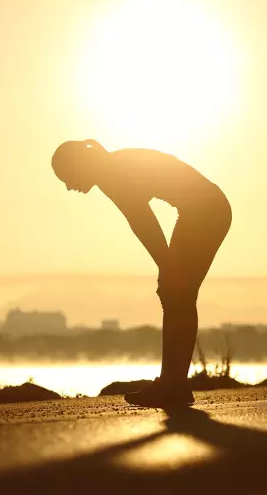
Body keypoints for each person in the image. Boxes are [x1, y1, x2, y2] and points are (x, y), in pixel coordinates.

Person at [51, 139, 231, 408]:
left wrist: (166, 266)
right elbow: (141, 220)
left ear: (79, 165)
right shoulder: (109, 167)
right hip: (204, 210)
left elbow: (143, 221)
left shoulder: (111, 172)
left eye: (67, 177)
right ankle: (174, 384)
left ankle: (173, 386)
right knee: (176, 294)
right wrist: (166, 266)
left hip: (206, 212)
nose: (68, 186)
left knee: (176, 294)